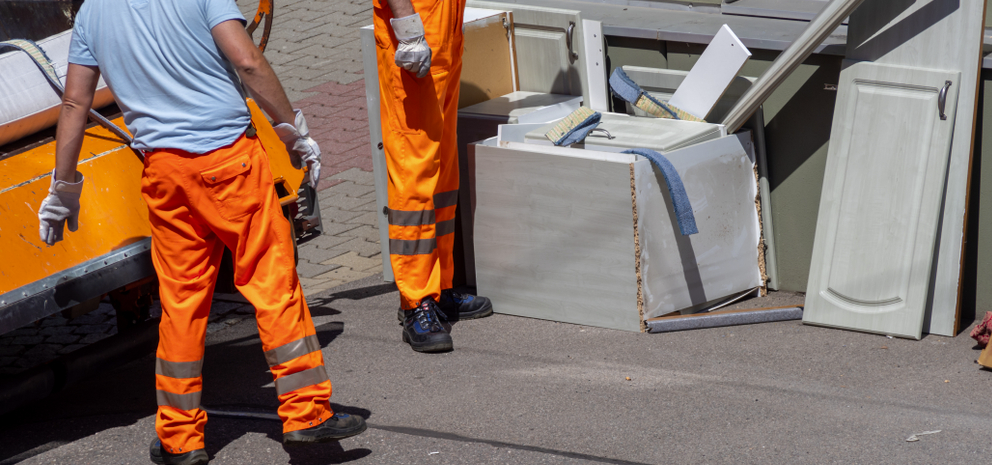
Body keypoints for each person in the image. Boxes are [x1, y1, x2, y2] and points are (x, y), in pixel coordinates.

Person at [37, 0, 366, 463]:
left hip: (165, 173)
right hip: (230, 161)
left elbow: (75, 102)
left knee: (182, 304)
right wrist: (293, 130)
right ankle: (307, 414)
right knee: (271, 283)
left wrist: (65, 185)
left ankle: (179, 438)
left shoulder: (93, 14)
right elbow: (247, 59)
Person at [374, 0, 494, 353]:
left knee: (441, 169)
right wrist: (408, 29)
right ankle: (416, 301)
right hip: (415, 27)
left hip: (442, 31)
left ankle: (438, 288)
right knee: (414, 171)